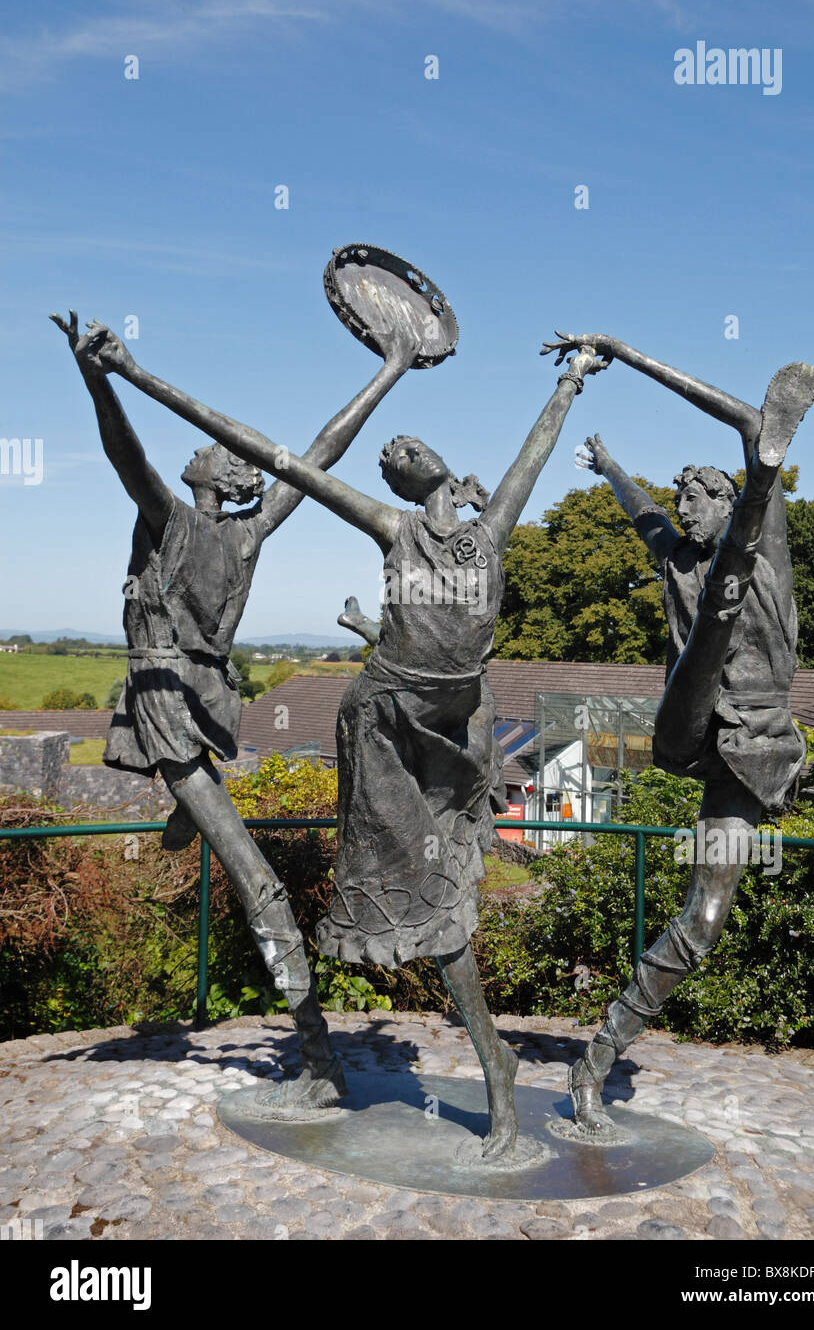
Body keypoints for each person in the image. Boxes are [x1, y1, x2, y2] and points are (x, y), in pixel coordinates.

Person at [73, 321, 610, 1160]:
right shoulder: (225, 521)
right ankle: (395, 1058)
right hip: (302, 717)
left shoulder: (466, 528)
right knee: (400, 900)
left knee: (417, 899)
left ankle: (355, 1058)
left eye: (407, 449)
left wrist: (563, 381)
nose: (397, 452)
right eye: (392, 456)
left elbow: (312, 451)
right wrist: (115, 377)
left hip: (434, 725)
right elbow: (228, 451)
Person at [50, 309, 419, 1115]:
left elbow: (127, 454)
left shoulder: (176, 522)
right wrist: (389, 369)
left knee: (254, 881)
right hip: (201, 703)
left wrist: (96, 377)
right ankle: (185, 818)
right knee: (198, 818)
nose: (209, 446)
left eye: (216, 452)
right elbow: (322, 452)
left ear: (221, 479)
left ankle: (320, 1064)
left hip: (168, 708)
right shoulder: (252, 535)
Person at [543, 331, 814, 1134]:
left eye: (694, 496)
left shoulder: (759, 538)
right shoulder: (679, 559)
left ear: (726, 499)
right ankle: (690, 687)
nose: (683, 506)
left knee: (702, 924)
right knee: (698, 637)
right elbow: (643, 515)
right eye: (682, 498)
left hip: (755, 754)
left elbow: (746, 436)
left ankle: (596, 1061)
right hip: (691, 730)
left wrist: (627, 354)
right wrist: (608, 468)